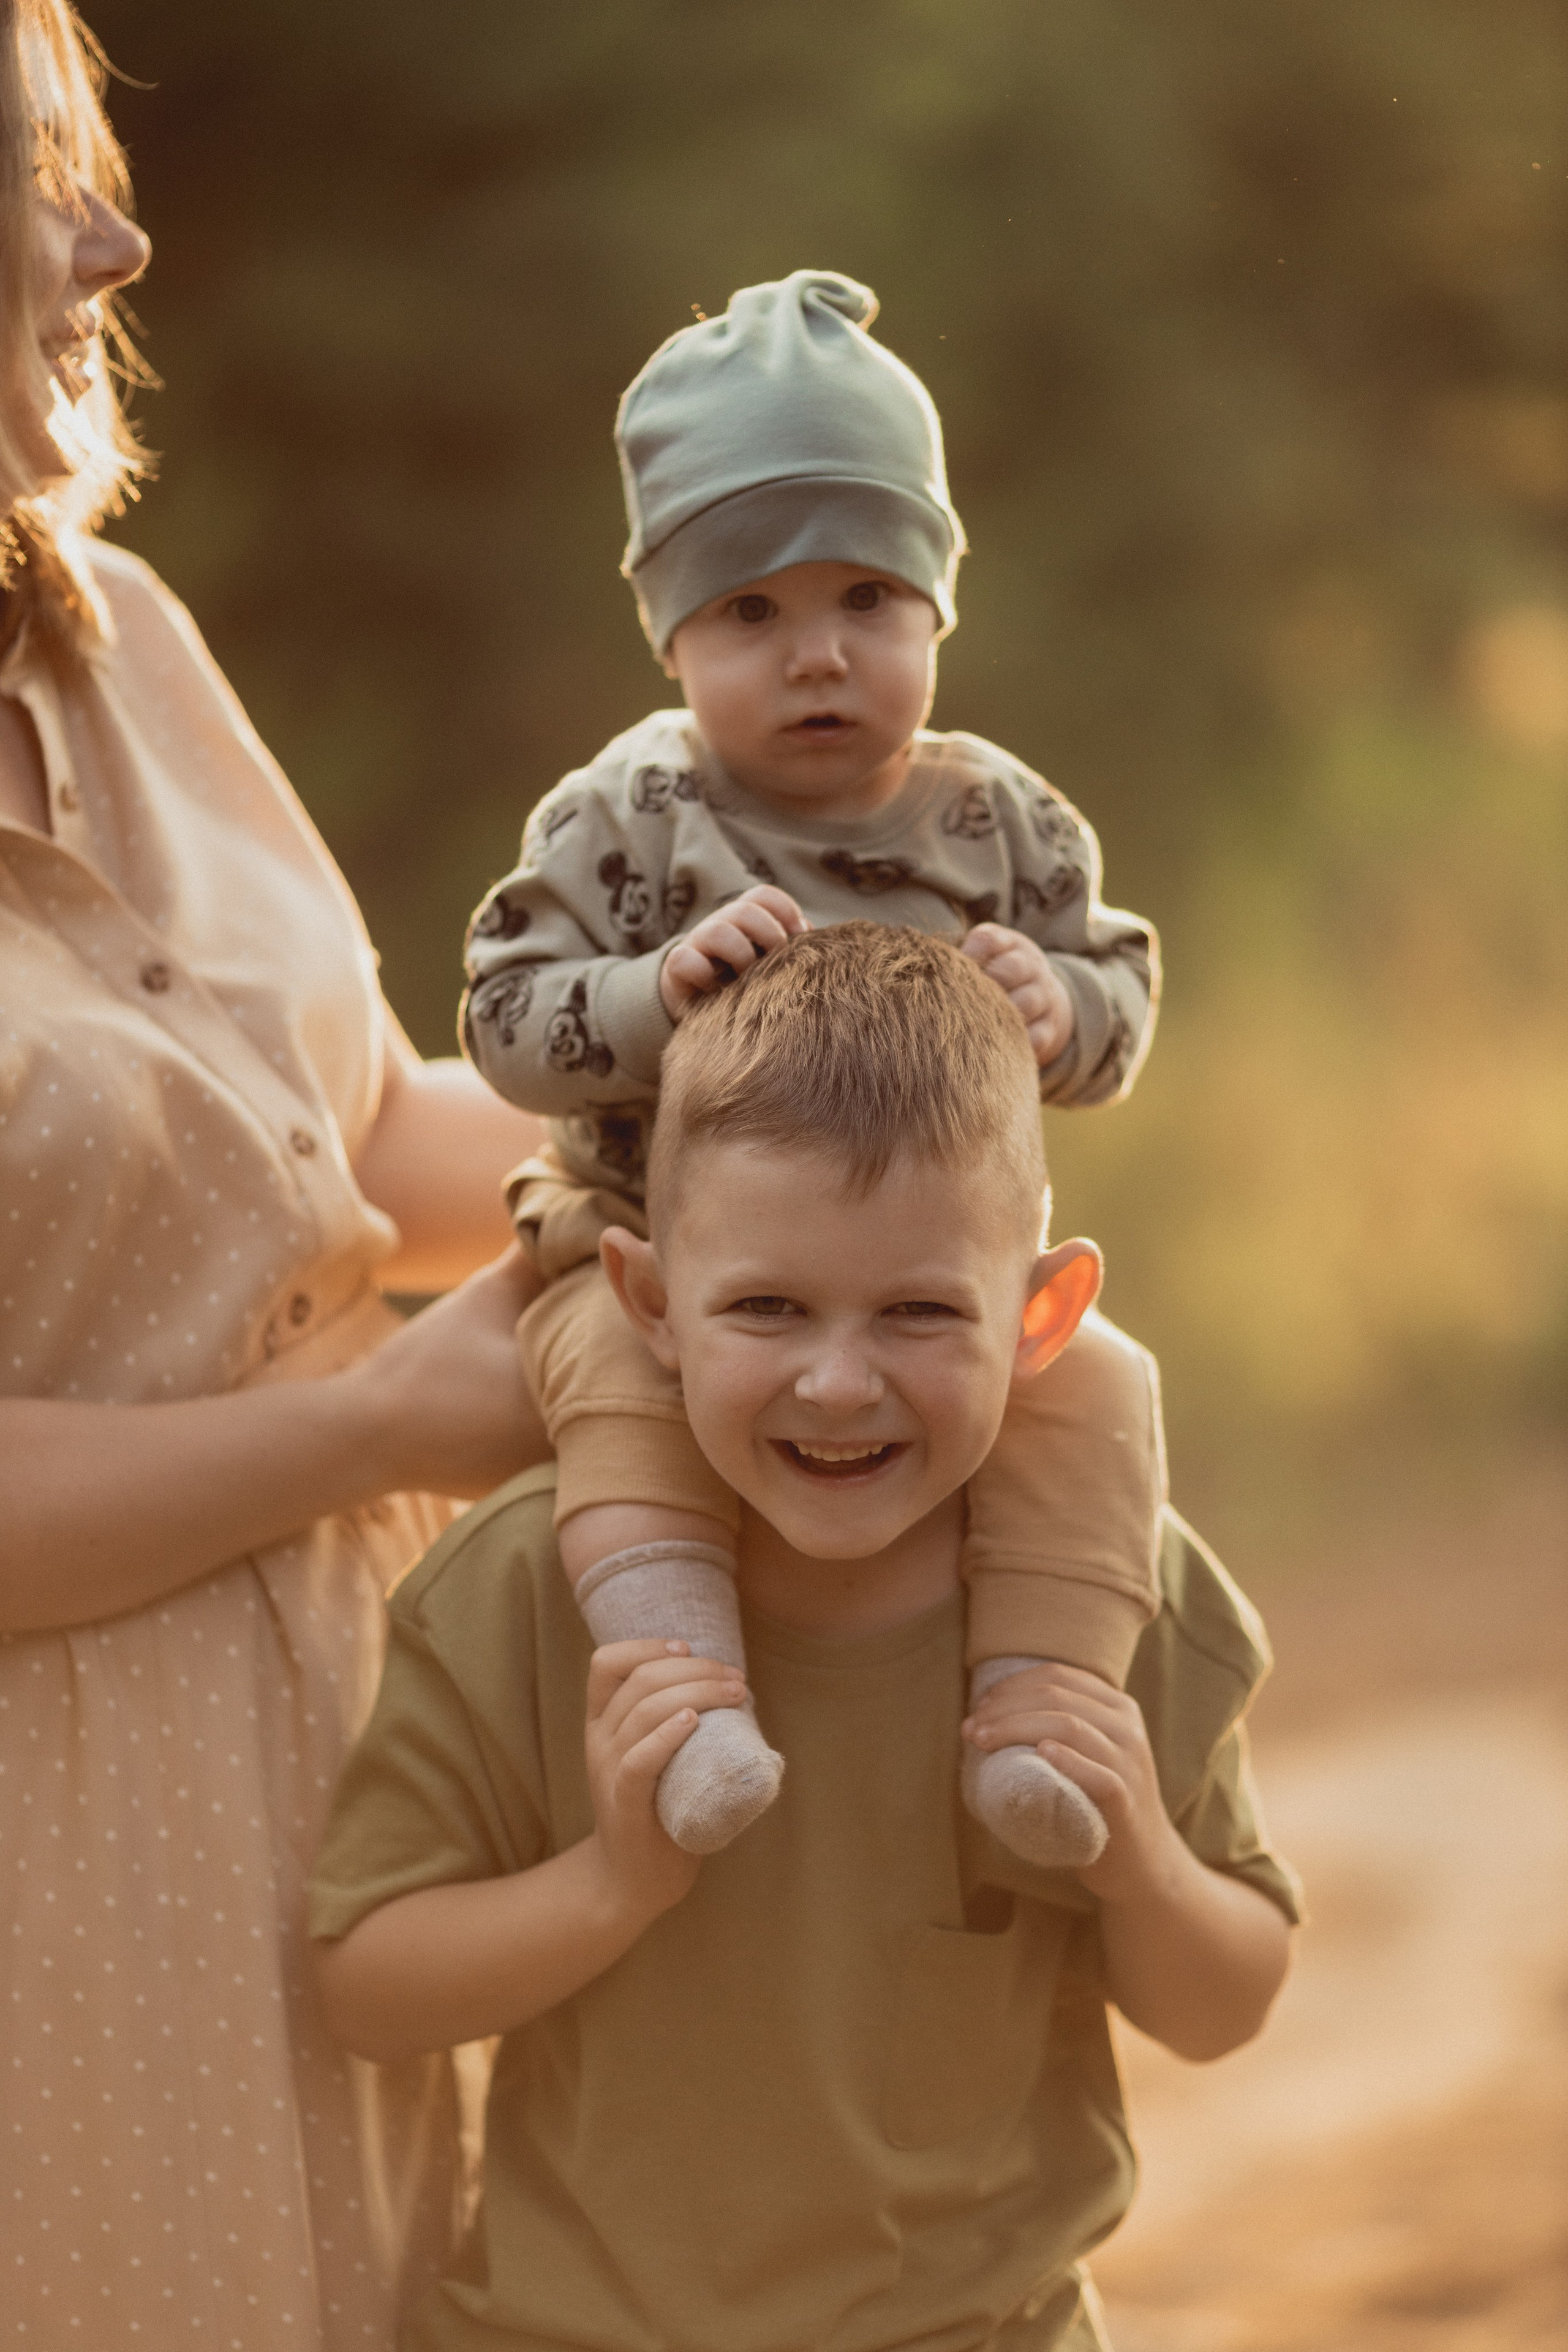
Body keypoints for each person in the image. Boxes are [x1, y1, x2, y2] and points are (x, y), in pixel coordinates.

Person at [310, 924, 1300, 2352]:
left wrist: (1139, 1857)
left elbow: (1227, 2003)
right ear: (649, 1305)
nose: (839, 1384)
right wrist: (618, 1882)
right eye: (767, 1308)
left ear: (1040, 1316)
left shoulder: (1096, 1596)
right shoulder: (523, 1584)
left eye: (916, 1313)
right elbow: (366, 1985)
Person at [0, 7, 552, 2342]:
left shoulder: (126, 645)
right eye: (30, 172)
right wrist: (380, 1428)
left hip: (372, 1780)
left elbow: (347, 1144)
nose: (113, 228)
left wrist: (739, 1101)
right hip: (57, 1901)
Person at [462, 268, 1165, 1868]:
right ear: (672, 637)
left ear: (936, 611)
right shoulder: (626, 819)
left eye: (867, 600)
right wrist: (644, 996)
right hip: (658, 1259)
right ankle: (690, 1700)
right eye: (750, 615)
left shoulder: (995, 821)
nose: (819, 658)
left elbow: (1123, 988)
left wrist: (1058, 1007)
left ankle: (1037, 1715)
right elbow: (501, 1017)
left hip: (932, 1272)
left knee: (1103, 1392)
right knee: (620, 1412)